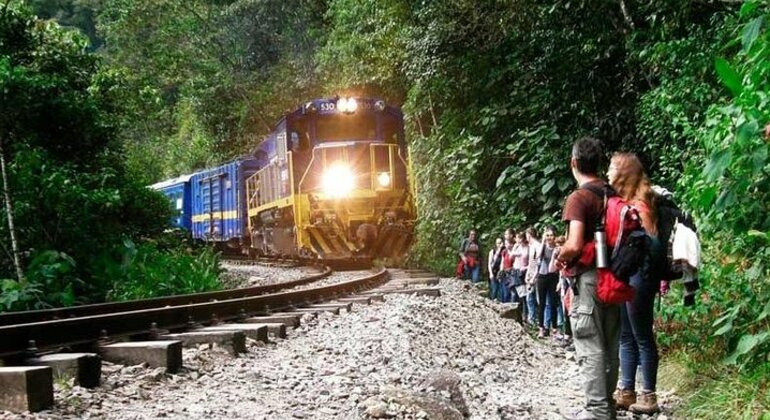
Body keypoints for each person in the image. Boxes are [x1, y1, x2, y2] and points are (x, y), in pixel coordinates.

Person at [555, 136, 620, 420]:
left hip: (590, 279)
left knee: (589, 341)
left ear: (573, 163)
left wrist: (560, 255)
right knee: (610, 342)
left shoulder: (579, 197)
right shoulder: (613, 193)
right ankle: (607, 404)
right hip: (615, 276)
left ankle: (596, 410)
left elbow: (574, 244)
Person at [607, 153, 662, 415]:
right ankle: (627, 390)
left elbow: (653, 244)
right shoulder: (625, 203)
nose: (607, 173)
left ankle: (648, 394)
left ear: (623, 173)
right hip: (627, 274)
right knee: (626, 334)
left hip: (640, 275)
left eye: (611, 168)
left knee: (642, 335)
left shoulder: (641, 204)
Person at [535, 226, 560, 339]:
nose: (549, 237)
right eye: (547, 235)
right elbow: (538, 256)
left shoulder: (557, 247)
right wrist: (543, 241)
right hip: (542, 276)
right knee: (542, 303)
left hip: (553, 276)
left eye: (551, 235)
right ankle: (541, 328)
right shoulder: (543, 246)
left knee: (553, 303)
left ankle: (554, 328)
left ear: (555, 236)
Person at [525, 227, 540, 327]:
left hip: (536, 275)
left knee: (537, 298)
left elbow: (538, 263)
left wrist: (534, 276)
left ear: (529, 235)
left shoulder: (537, 246)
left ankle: (537, 320)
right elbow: (530, 263)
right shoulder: (530, 246)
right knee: (529, 298)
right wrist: (527, 274)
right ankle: (532, 318)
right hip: (530, 274)